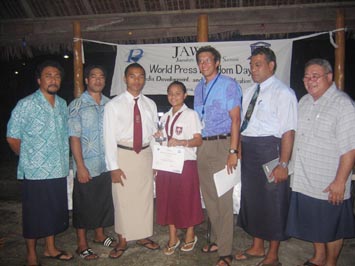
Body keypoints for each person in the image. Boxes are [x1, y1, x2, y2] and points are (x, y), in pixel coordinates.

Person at [286, 58, 355, 266]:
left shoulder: (343, 104)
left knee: (331, 225)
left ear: (329, 77)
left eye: (315, 76)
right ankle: (318, 256)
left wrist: (340, 182)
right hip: (305, 178)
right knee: (314, 221)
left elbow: (350, 148)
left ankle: (331, 261)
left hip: (329, 181)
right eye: (306, 76)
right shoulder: (304, 101)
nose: (309, 80)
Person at [6, 60, 73, 266]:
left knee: (53, 211)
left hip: (59, 169)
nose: (53, 79)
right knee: (34, 214)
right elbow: (12, 137)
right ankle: (32, 256)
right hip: (35, 172)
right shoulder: (26, 104)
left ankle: (51, 249)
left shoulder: (62, 104)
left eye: (57, 76)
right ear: (39, 80)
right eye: (48, 75)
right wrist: (30, 157)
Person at [236, 47, 297, 266]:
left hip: (271, 151)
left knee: (274, 201)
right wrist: (240, 147)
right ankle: (257, 245)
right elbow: (245, 125)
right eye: (251, 65)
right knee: (253, 200)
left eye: (258, 64)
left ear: (271, 65)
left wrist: (283, 163)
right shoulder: (249, 91)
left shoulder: (284, 93)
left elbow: (288, 131)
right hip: (250, 151)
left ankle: (273, 254)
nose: (253, 69)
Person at [103, 62, 160, 259]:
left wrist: (156, 162)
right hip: (123, 154)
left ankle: (143, 235)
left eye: (141, 76)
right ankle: (123, 239)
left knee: (144, 198)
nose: (137, 80)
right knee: (123, 199)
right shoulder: (113, 105)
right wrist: (113, 167)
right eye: (133, 76)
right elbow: (108, 137)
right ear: (125, 78)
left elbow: (153, 134)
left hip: (145, 154)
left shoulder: (150, 104)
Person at [194, 46, 242, 266]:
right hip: (203, 146)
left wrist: (233, 152)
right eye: (200, 61)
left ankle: (225, 252)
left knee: (223, 199)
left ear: (217, 62)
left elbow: (235, 121)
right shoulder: (198, 88)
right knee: (210, 197)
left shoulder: (229, 85)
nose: (204, 64)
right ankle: (216, 240)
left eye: (208, 60)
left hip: (223, 145)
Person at [68, 65, 115, 260]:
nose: (98, 80)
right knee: (83, 204)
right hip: (86, 164)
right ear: (86, 80)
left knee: (103, 201)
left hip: (106, 163)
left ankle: (99, 235)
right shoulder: (77, 105)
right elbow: (74, 137)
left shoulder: (110, 104)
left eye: (101, 76)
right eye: (93, 76)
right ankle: (81, 244)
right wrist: (80, 166)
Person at [155, 81, 204, 256]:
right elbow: (162, 142)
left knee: (187, 199)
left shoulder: (191, 115)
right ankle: (173, 237)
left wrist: (182, 142)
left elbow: (198, 140)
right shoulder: (164, 117)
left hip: (185, 163)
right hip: (166, 164)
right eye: (170, 93)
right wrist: (159, 138)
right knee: (168, 199)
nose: (173, 96)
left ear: (185, 95)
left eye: (177, 93)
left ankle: (190, 235)